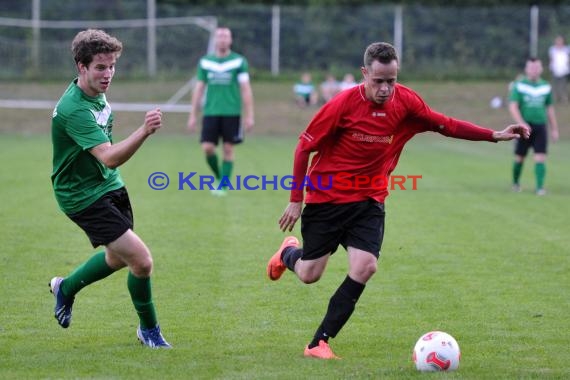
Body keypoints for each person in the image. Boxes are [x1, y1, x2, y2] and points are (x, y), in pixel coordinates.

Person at [266, 42, 529, 360]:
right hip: (327, 199)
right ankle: (289, 253)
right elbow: (303, 147)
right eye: (378, 80)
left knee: (365, 267)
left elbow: (444, 124)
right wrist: (296, 200)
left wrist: (493, 134)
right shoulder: (342, 105)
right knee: (310, 274)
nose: (386, 88)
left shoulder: (406, 102)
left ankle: (318, 343)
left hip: (369, 201)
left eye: (392, 80)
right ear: (365, 74)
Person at [49, 29, 171, 348]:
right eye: (100, 67)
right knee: (142, 261)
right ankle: (149, 330)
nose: (108, 74)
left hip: (106, 185)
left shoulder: (94, 91)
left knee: (118, 258)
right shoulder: (74, 109)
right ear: (81, 67)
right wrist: (144, 131)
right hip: (81, 196)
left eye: (112, 66)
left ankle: (66, 288)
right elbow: (109, 157)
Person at [187, 27, 254, 196]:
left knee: (228, 149)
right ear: (215, 40)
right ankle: (220, 178)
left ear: (230, 40)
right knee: (208, 148)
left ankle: (223, 186)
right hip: (210, 112)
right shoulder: (205, 62)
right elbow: (199, 89)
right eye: (220, 36)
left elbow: (246, 89)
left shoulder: (239, 61)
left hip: (232, 112)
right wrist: (193, 115)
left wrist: (249, 115)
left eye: (226, 36)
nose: (223, 39)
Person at [509, 57, 559, 195]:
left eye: (536, 67)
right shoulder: (519, 85)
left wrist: (554, 129)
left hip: (540, 126)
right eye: (531, 68)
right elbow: (513, 106)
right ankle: (515, 183)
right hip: (524, 128)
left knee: (540, 157)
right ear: (526, 69)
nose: (534, 70)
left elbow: (550, 109)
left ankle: (540, 187)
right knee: (519, 157)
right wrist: (521, 123)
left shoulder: (545, 86)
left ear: (541, 69)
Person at [548, 35, 570, 103]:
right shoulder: (552, 49)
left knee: (563, 85)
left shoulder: (567, 49)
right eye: (558, 41)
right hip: (555, 69)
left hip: (564, 70)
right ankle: (554, 98)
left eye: (560, 41)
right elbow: (551, 59)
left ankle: (564, 98)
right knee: (554, 85)